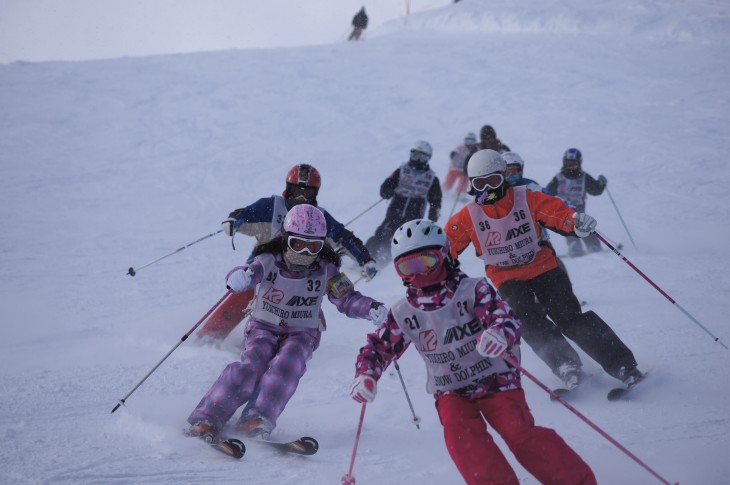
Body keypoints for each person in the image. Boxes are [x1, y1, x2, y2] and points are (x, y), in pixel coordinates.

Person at [350, 219, 597, 485]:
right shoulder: (404, 312)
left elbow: (507, 318)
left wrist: (498, 333)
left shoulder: (473, 291)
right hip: (450, 389)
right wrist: (367, 374)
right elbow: (379, 346)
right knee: (462, 439)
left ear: (444, 255)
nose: (419, 273)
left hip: (496, 378)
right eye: (408, 267)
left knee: (518, 432)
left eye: (427, 261)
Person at [187, 204, 388, 443]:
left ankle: (256, 418)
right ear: (286, 237)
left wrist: (371, 308)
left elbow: (347, 298)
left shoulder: (327, 269)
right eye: (298, 244)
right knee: (251, 366)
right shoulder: (268, 260)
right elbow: (248, 273)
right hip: (264, 325)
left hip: (302, 332)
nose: (304, 252)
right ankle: (208, 417)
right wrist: (238, 277)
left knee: (286, 368)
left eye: (313, 246)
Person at [446, 149, 643, 390]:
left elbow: (556, 212)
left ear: (503, 177)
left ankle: (622, 365)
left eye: (493, 181)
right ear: (472, 185)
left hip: (543, 266)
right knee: (528, 321)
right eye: (480, 183)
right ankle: (565, 364)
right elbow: (445, 246)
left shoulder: (526, 198)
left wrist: (575, 223)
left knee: (568, 317)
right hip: (507, 277)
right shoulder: (468, 217)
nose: (487, 189)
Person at [196, 164, 377, 342]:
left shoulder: (317, 218)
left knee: (298, 305)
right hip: (264, 270)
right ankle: (210, 335)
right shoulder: (272, 207)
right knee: (245, 291)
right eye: (297, 190)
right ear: (288, 188)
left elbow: (343, 237)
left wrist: (365, 258)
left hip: (299, 277)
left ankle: (281, 344)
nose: (301, 197)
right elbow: (247, 214)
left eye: (307, 193)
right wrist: (235, 221)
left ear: (315, 194)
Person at [365, 140, 442, 265]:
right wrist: (387, 190)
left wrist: (434, 212)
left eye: (421, 157)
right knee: (382, 234)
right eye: (414, 155)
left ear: (428, 158)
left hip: (414, 214)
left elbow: (436, 199)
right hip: (396, 209)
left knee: (404, 240)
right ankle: (365, 259)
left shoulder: (431, 178)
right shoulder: (402, 170)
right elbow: (387, 184)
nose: (417, 160)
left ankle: (386, 263)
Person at [546, 148, 608, 257]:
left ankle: (593, 245)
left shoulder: (583, 177)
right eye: (568, 163)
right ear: (564, 162)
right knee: (569, 225)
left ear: (579, 163)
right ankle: (574, 244)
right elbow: (547, 192)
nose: (570, 166)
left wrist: (601, 183)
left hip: (579, 207)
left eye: (573, 163)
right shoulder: (559, 178)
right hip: (564, 209)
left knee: (583, 224)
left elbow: (595, 190)